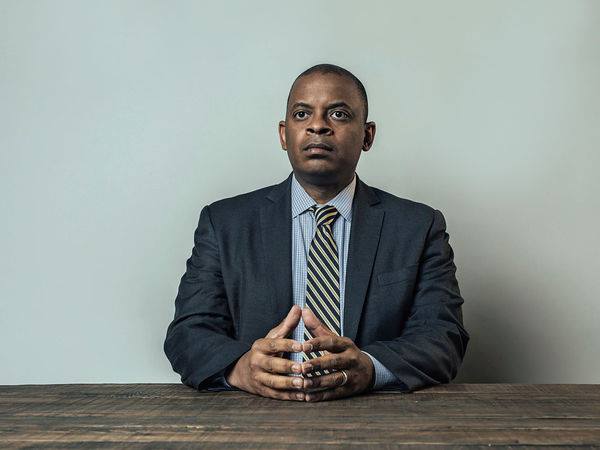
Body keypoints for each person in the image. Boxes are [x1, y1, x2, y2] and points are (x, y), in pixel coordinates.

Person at [164, 64, 469, 402]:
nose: (318, 125)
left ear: (367, 136)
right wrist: (241, 369)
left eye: (338, 114)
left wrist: (370, 368)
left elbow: (444, 337)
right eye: (302, 114)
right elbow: (187, 334)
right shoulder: (224, 223)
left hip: (374, 416)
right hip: (255, 416)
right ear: (284, 135)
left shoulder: (418, 227)